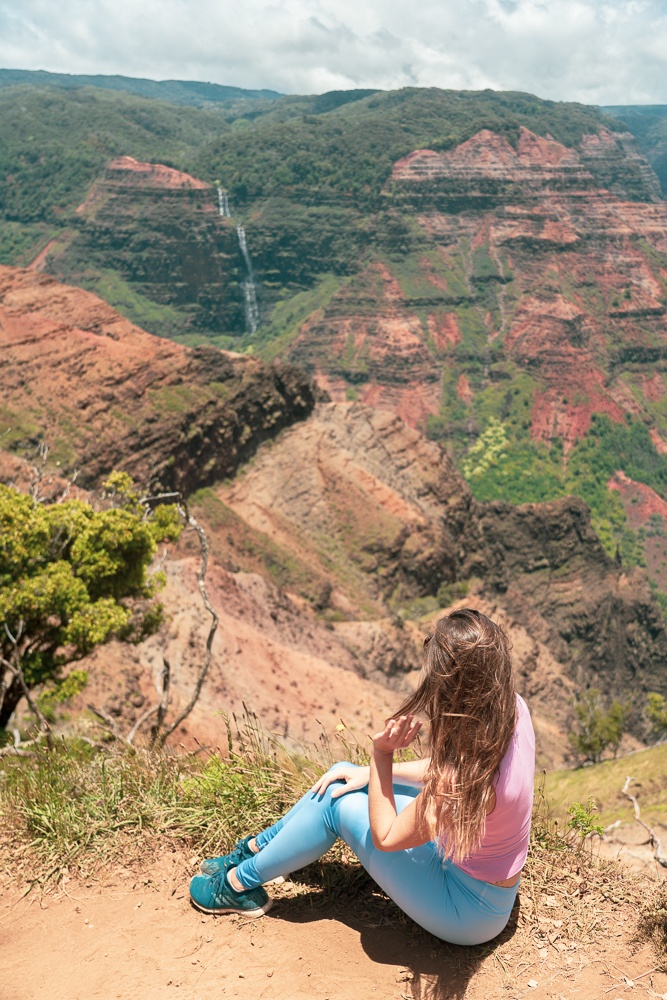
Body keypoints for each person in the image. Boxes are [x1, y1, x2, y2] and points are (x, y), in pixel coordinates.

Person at [190, 608, 535, 945]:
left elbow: (386, 837)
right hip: (478, 876)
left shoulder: (460, 782)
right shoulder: (511, 709)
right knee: (344, 776)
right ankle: (253, 852)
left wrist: (381, 756)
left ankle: (235, 885)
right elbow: (452, 769)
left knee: (335, 805)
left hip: (468, 910)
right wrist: (369, 774)